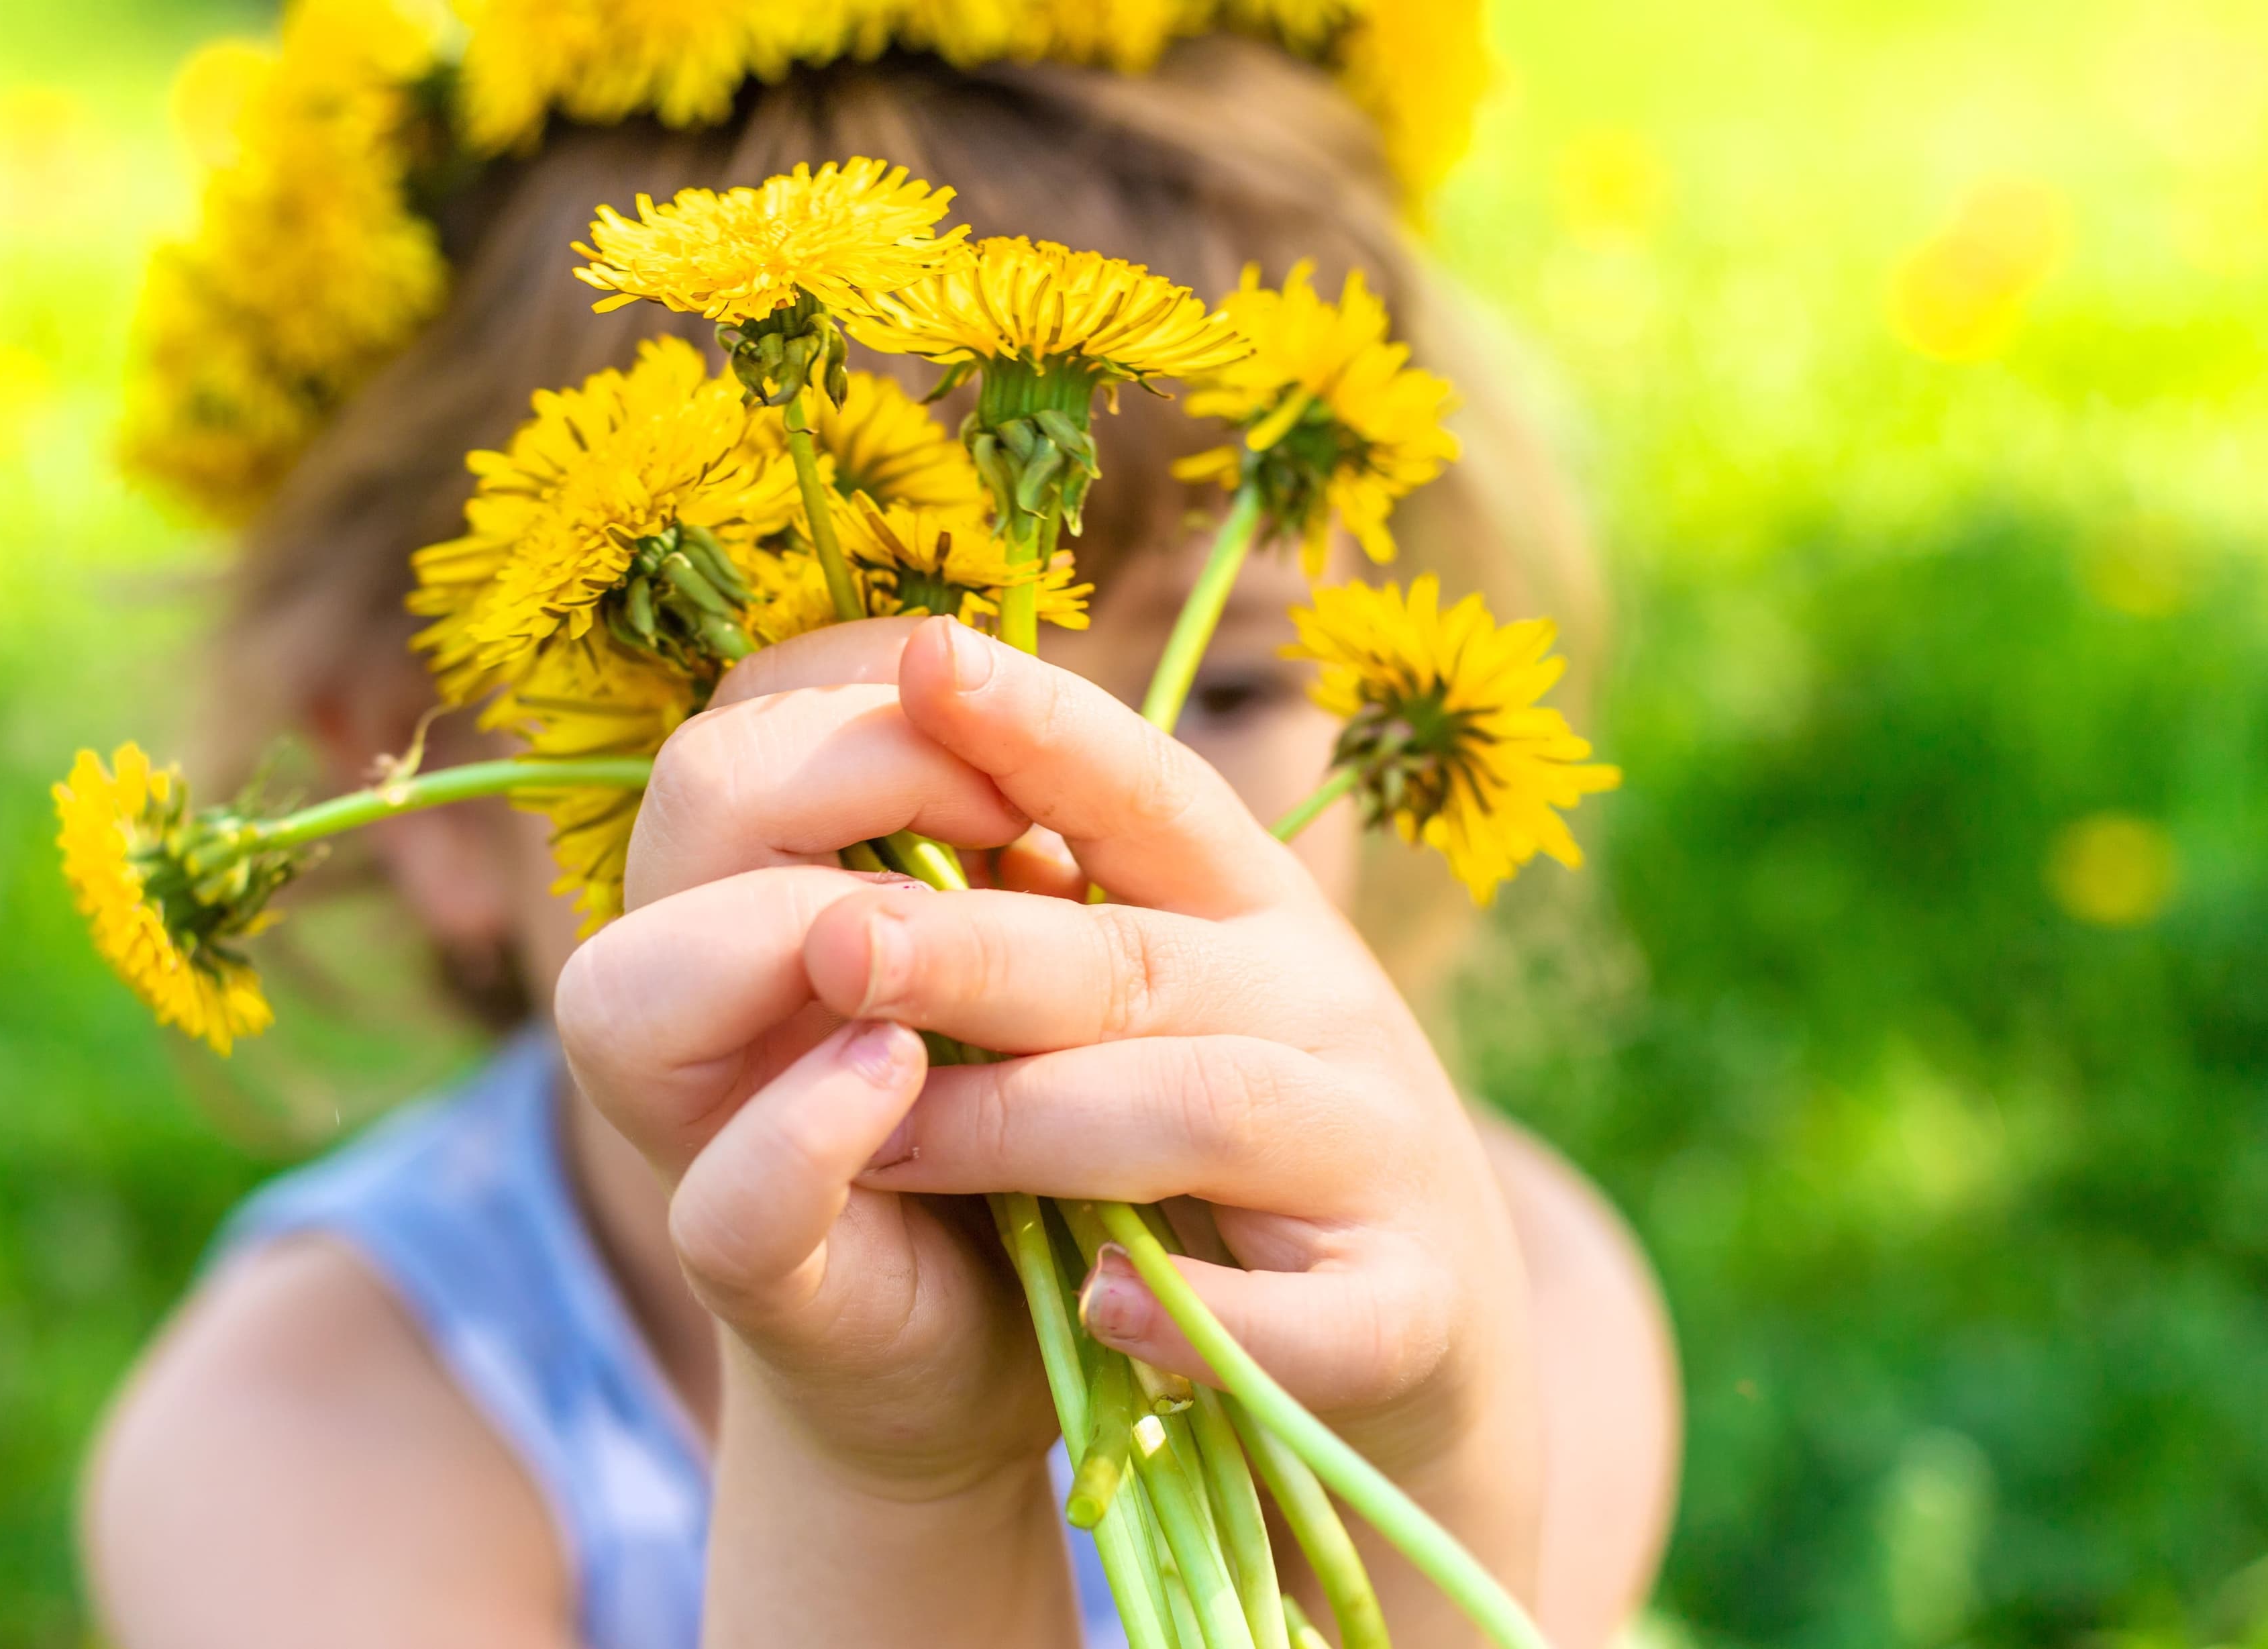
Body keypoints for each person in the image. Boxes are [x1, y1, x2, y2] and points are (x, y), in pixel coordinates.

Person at [83, 15, 1680, 1649]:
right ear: (411, 782)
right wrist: (891, 1485)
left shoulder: (1520, 1299)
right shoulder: (309, 1446)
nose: (1047, 860)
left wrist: (1424, 1462)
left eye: (1224, 687)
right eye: (812, 707)